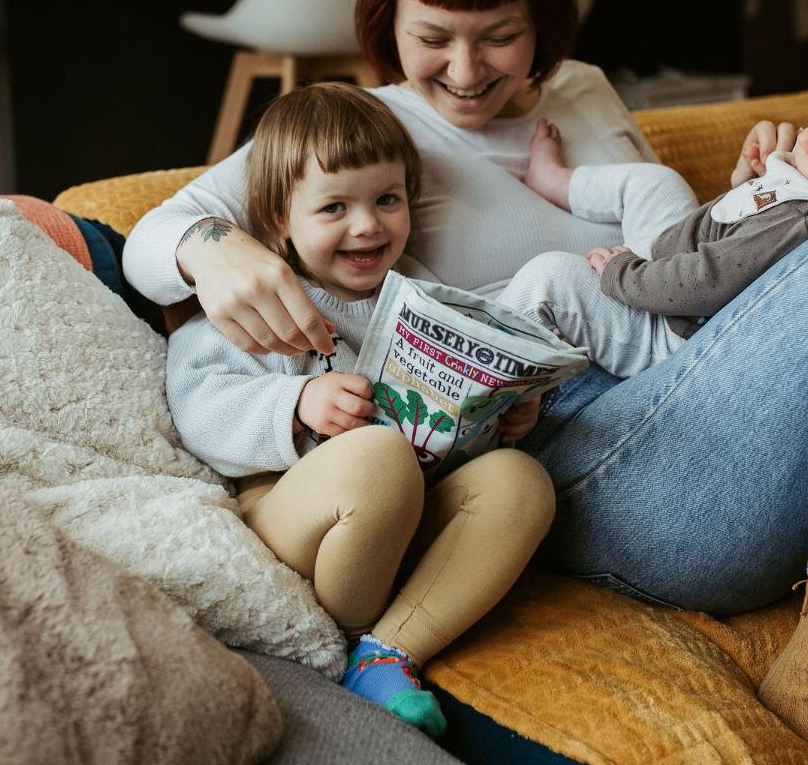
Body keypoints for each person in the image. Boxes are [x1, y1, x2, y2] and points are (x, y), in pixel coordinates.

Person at [124, 0, 808, 765]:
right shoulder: (364, 134)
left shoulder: (582, 94)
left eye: (500, 36)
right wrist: (210, 245)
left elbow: (680, 270)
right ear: (387, 20)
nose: (465, 73)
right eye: (431, 37)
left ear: (542, 16)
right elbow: (147, 240)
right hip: (593, 460)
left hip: (711, 395)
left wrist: (773, 193)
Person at [164, 80, 555, 738]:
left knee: (521, 483)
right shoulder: (255, 302)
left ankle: (386, 653)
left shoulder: (428, 300)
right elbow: (196, 407)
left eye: (386, 200)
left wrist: (504, 421)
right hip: (292, 515)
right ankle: (340, 632)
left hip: (406, 518)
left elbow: (450, 439)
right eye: (335, 208)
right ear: (279, 219)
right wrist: (295, 402)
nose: (368, 224)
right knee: (377, 455)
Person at [498, 42, 808, 379]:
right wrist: (752, 183)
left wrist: (623, 273)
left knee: (551, 277)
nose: (806, 140)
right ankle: (555, 180)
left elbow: (710, 279)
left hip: (668, 331)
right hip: (670, 272)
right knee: (658, 180)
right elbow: (749, 247)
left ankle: (463, 368)